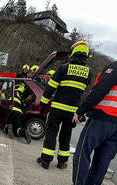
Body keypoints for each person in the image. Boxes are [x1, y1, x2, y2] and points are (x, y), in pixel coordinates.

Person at [54, 42, 117, 185]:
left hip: (102, 119)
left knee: (83, 153)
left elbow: (100, 89)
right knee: (102, 160)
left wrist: (82, 111)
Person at [37, 41, 93, 169]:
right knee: (66, 136)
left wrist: (43, 104)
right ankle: (62, 162)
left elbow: (50, 87)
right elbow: (85, 93)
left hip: (57, 109)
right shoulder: (89, 72)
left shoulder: (64, 68)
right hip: (72, 112)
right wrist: (81, 112)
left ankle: (46, 160)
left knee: (51, 133)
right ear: (86, 55)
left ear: (73, 52)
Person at [3, 72, 31, 143]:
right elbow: (24, 103)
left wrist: (3, 93)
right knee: (18, 128)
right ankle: (23, 132)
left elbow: (5, 98)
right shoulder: (21, 91)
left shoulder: (12, 90)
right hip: (19, 112)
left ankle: (8, 127)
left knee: (6, 124)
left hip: (12, 110)